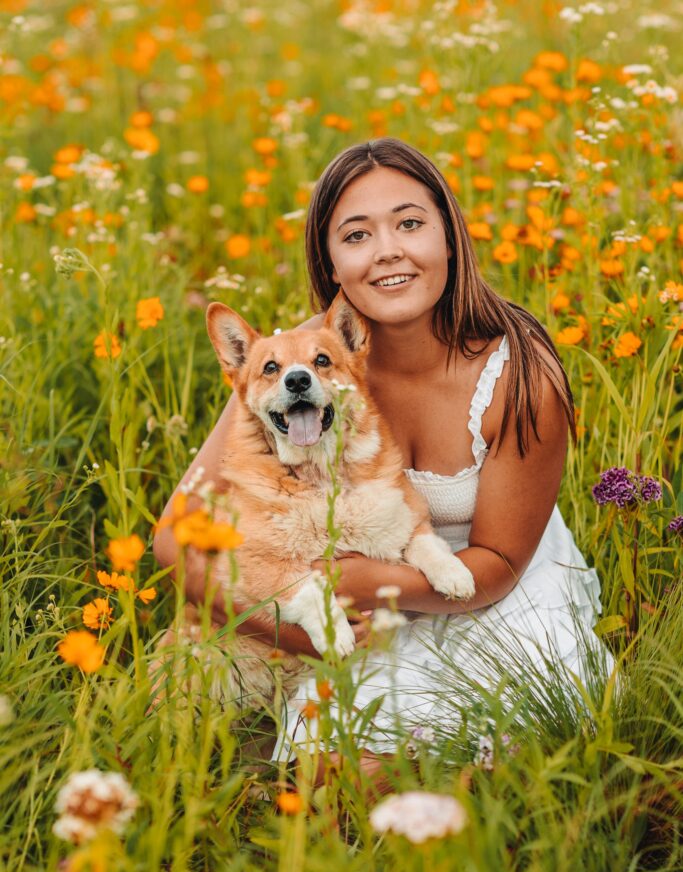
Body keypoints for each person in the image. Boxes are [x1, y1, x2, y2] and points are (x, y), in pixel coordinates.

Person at [153, 138, 608, 794]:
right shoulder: (298, 363)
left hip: (481, 588)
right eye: (357, 234)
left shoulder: (520, 373)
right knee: (331, 774)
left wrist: (370, 581)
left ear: (450, 238)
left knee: (503, 763)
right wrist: (296, 633)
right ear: (332, 262)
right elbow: (175, 537)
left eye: (410, 223)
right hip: (350, 605)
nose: (388, 249)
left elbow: (499, 565)